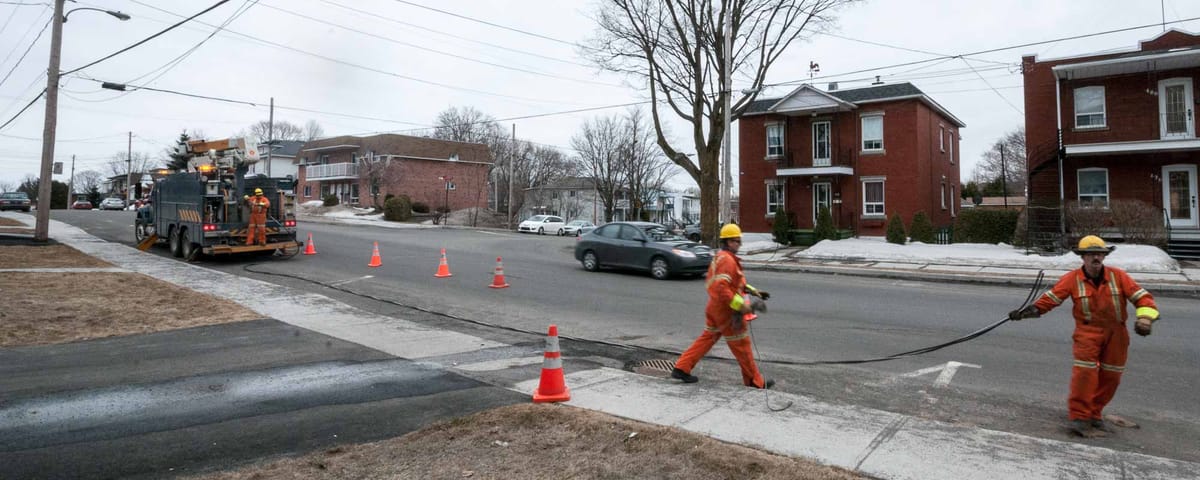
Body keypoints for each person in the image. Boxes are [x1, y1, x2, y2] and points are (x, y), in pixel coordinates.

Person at [1008, 235, 1159, 438]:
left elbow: (1143, 298)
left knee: (1111, 377)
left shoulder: (1118, 276)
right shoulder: (1072, 279)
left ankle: (1094, 414)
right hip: (1087, 333)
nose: (1096, 258)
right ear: (1083, 257)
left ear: (1105, 256)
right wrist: (1028, 312)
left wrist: (1146, 319)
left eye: (1100, 254)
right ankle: (1079, 417)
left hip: (1116, 334)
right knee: (1085, 376)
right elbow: (1051, 299)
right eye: (1091, 254)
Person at [671, 223, 773, 389]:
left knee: (707, 339)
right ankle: (755, 382)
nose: (739, 244)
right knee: (742, 346)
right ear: (727, 242)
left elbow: (735, 283)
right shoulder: (727, 260)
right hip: (727, 312)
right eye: (736, 241)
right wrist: (741, 306)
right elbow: (722, 288)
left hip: (715, 308)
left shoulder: (723, 257)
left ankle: (682, 367)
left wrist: (755, 291)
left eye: (739, 240)